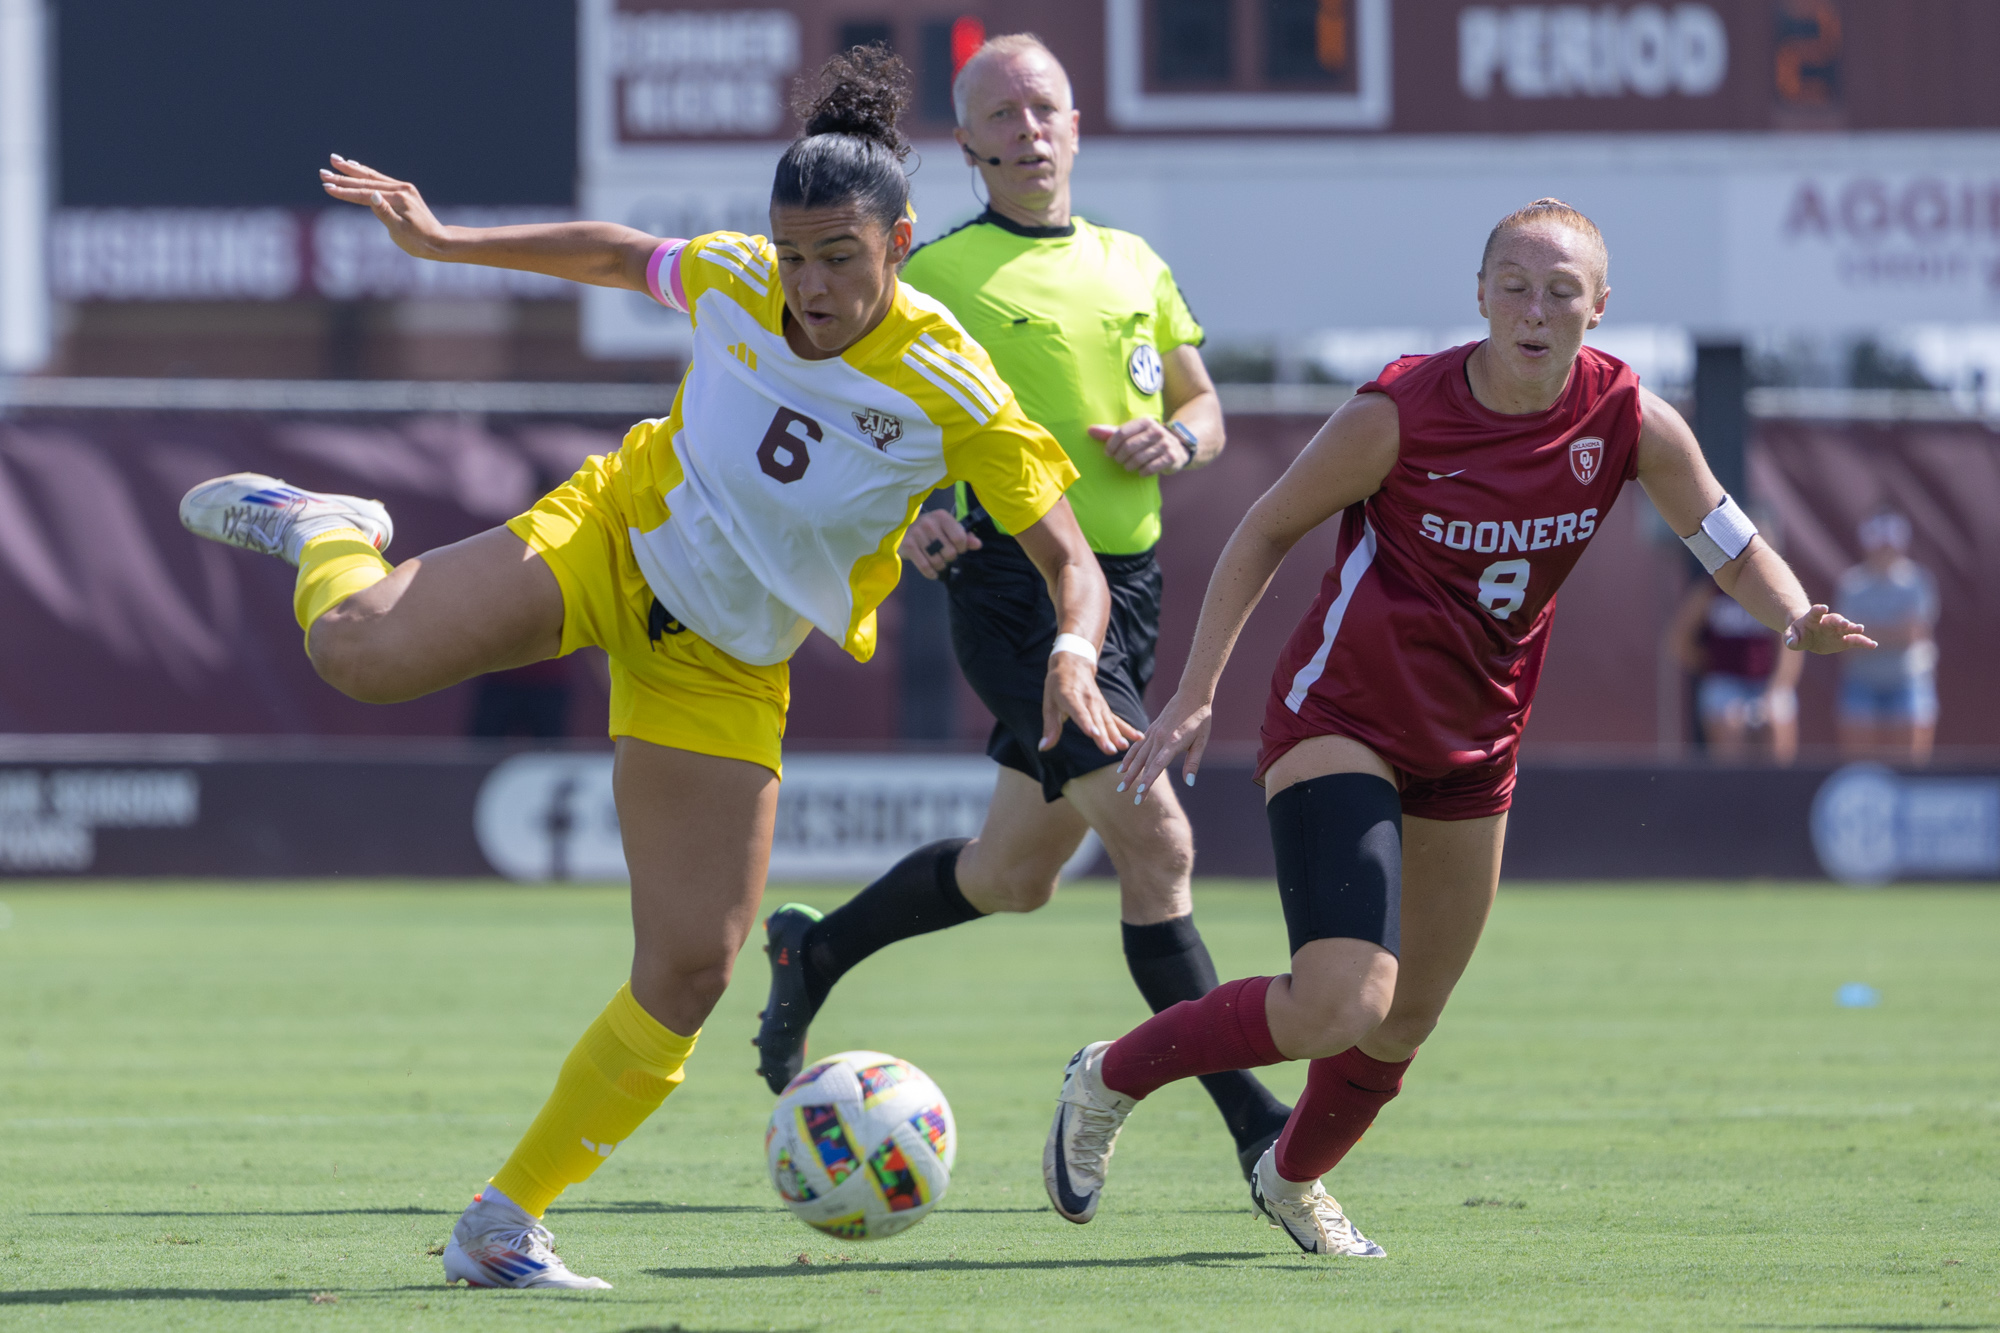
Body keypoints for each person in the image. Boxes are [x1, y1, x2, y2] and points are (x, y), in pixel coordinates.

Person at [177, 49, 1125, 1290]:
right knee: (356, 653)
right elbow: (623, 255)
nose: (807, 286)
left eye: (839, 257)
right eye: (791, 256)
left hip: (725, 665)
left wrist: (1071, 655)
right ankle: (329, 530)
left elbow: (1074, 560)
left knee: (688, 970)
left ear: (899, 238)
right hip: (614, 538)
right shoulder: (738, 275)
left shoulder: (951, 384)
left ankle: (500, 1222)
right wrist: (444, 241)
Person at [1040, 199, 1876, 1256]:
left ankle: (1288, 1178)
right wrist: (1198, 685)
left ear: (1598, 309)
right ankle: (1106, 1077)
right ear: (1477, 297)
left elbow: (1723, 536)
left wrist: (1794, 614)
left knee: (1406, 1017)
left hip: (1475, 740)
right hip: (1338, 716)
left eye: (1560, 292)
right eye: (1514, 287)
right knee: (1341, 997)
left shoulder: (1627, 419)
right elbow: (1264, 529)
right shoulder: (1396, 412)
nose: (1534, 310)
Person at [751, 33, 1294, 1184]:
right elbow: (851, 418)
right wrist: (909, 522)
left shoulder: (1134, 263)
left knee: (1014, 877)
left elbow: (1205, 407)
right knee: (1159, 842)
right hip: (1014, 590)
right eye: (1000, 113)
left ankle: (818, 948)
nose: (1027, 126)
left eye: (1043, 106)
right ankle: (1258, 1129)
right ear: (966, 145)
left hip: (1129, 588)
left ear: (1077, 125)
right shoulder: (931, 274)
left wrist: (1178, 438)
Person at [1668, 550, 1802, 764]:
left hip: (1767, 681)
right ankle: (1732, 792)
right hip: (1726, 681)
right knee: (1730, 724)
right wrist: (1712, 665)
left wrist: (1776, 689)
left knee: (1777, 722)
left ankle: (1781, 792)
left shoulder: (1775, 593)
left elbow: (1792, 647)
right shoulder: (1710, 589)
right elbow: (1679, 640)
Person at [1836, 511, 1939, 764]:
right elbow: (1847, 638)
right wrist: (1894, 632)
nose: (1884, 552)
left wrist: (1870, 633)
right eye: (1879, 546)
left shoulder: (1918, 582)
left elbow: (1914, 633)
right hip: (1863, 679)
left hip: (1908, 678)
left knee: (1913, 753)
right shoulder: (1851, 584)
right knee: (1858, 759)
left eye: (1889, 546)